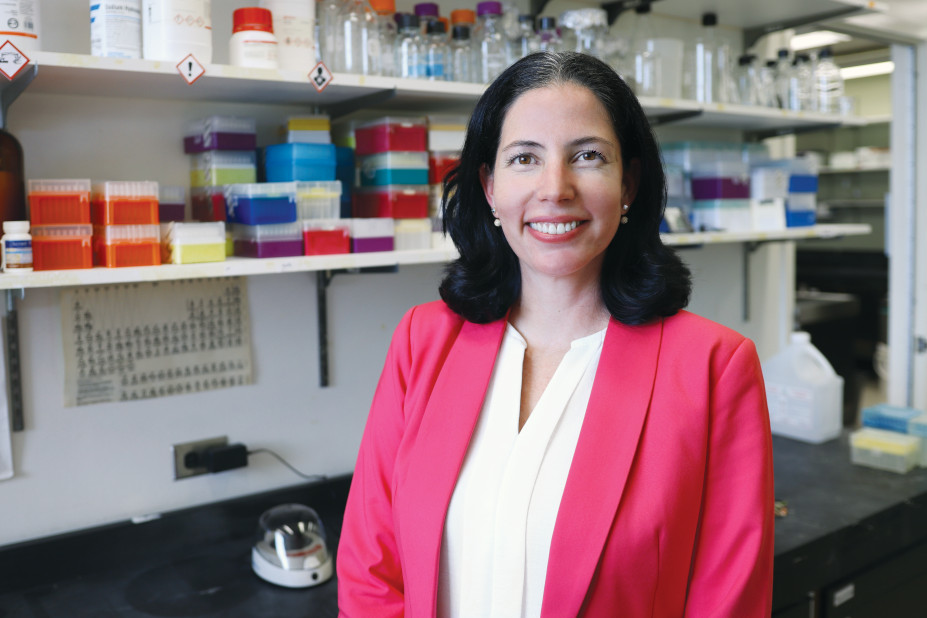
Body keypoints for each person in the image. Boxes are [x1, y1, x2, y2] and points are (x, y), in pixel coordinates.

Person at [337, 51, 774, 617]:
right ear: (490, 187)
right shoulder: (424, 342)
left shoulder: (714, 368)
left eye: (588, 156)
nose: (555, 188)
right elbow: (371, 570)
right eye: (525, 158)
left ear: (629, 184)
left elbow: (728, 603)